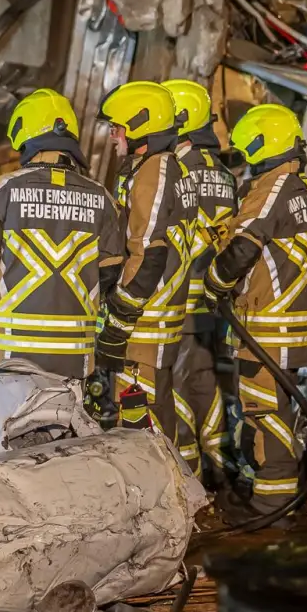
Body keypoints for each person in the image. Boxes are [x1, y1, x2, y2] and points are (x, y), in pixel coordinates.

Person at [206, 103, 307, 516]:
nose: (244, 165)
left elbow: (241, 251)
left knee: (264, 411)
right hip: (297, 324)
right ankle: (277, 490)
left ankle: (271, 504)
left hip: (267, 326)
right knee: (279, 406)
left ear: (262, 146)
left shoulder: (271, 191)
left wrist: (214, 284)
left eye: (246, 154)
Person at [0, 88, 125, 379]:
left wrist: (6, 298)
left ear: (25, 133)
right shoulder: (102, 198)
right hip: (75, 355)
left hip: (9, 351)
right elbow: (110, 274)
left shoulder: (2, 190)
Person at [95, 81, 199, 469]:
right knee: (154, 407)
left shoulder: (156, 170)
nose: (111, 136)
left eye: (117, 128)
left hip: (147, 318)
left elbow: (149, 250)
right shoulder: (165, 167)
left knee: (142, 417)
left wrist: (120, 315)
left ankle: (160, 501)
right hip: (156, 313)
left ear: (142, 126)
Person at [161, 79, 239, 488]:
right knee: (207, 388)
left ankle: (188, 483)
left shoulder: (175, 172)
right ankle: (223, 475)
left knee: (175, 393)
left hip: (179, 308)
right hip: (213, 307)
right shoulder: (224, 174)